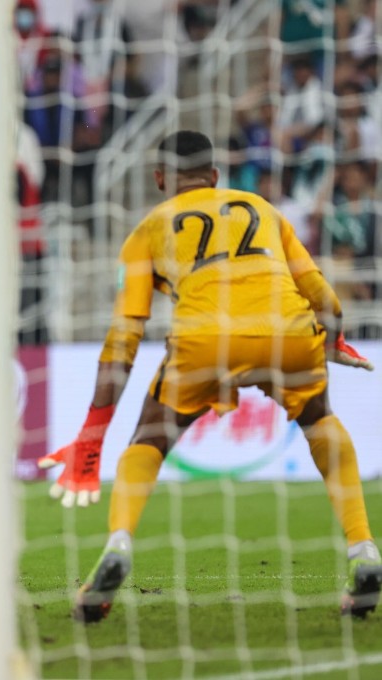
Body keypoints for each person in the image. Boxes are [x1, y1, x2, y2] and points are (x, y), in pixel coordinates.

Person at [38, 131, 380, 622]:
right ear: (215, 176)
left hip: (204, 339)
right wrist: (334, 337)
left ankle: (118, 544)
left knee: (149, 437)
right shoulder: (261, 207)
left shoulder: (147, 230)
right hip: (286, 329)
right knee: (319, 419)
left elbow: (124, 338)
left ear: (160, 179)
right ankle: (363, 549)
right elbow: (319, 290)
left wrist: (92, 435)